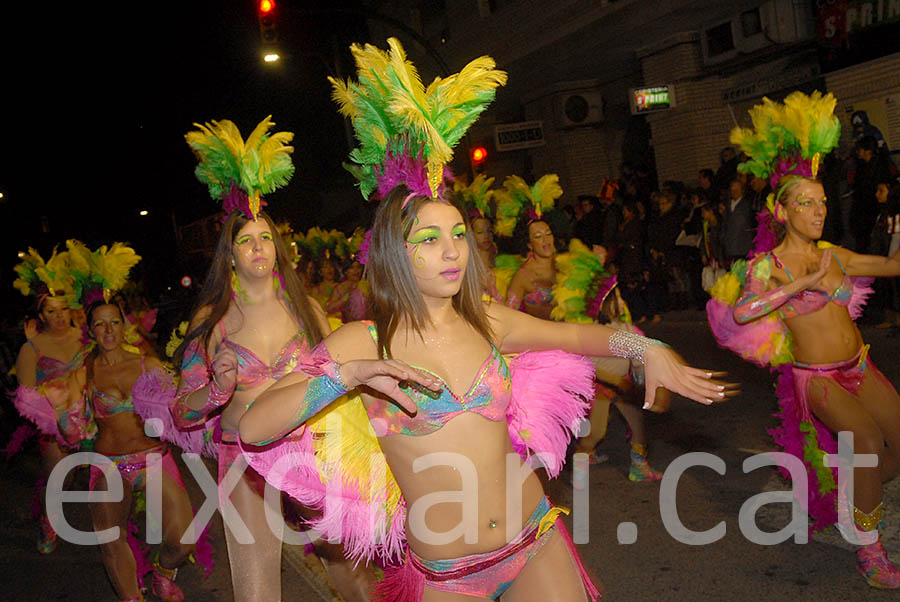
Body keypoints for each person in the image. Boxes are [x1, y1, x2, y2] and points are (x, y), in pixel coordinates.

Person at [240, 38, 734, 601]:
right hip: (449, 578)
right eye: (430, 239)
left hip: (534, 542)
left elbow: (580, 334)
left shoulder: (487, 322)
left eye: (457, 235)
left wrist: (645, 349)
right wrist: (348, 377)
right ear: (396, 254)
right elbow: (253, 428)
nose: (453, 251)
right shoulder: (362, 341)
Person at [170, 117, 374, 602]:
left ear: (278, 248)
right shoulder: (214, 317)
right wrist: (217, 388)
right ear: (231, 255)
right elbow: (183, 410)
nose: (258, 247)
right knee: (258, 585)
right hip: (246, 456)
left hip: (312, 446)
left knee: (351, 570)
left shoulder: (307, 310)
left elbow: (348, 381)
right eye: (246, 240)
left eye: (265, 238)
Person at [709, 90, 900, 589]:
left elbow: (891, 264)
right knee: (865, 441)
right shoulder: (767, 268)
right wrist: (801, 284)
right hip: (817, 379)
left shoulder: (833, 252)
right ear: (781, 209)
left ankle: (857, 495)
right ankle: (870, 548)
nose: (818, 211)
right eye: (806, 203)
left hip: (860, 363)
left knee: (890, 452)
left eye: (821, 202)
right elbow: (743, 310)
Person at [13, 246, 96, 555]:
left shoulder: (88, 335)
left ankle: (114, 520)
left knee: (107, 470)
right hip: (55, 420)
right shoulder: (32, 347)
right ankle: (50, 524)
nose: (59, 316)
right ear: (41, 315)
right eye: (51, 311)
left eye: (63, 308)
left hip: (93, 414)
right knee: (61, 476)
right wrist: (58, 412)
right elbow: (26, 396)